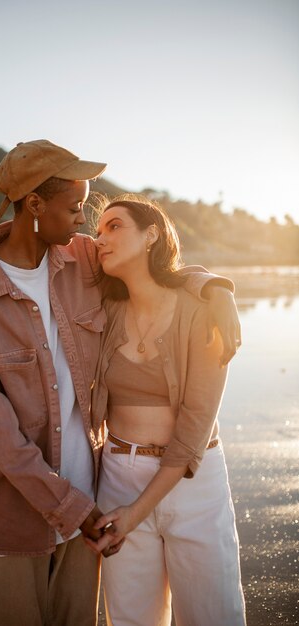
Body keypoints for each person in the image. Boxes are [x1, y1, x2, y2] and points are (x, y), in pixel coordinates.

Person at [0, 140, 241, 626]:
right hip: (15, 511)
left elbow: (155, 264)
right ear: (35, 205)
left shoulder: (83, 259)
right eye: (77, 207)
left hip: (92, 500)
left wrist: (212, 287)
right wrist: (72, 508)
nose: (85, 224)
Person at [86, 196, 246, 626]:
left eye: (114, 226)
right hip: (118, 475)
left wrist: (215, 288)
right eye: (98, 231)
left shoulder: (202, 312)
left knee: (213, 615)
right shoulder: (105, 308)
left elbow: (195, 425)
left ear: (152, 233)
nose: (101, 239)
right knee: (131, 619)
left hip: (194, 479)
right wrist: (214, 282)